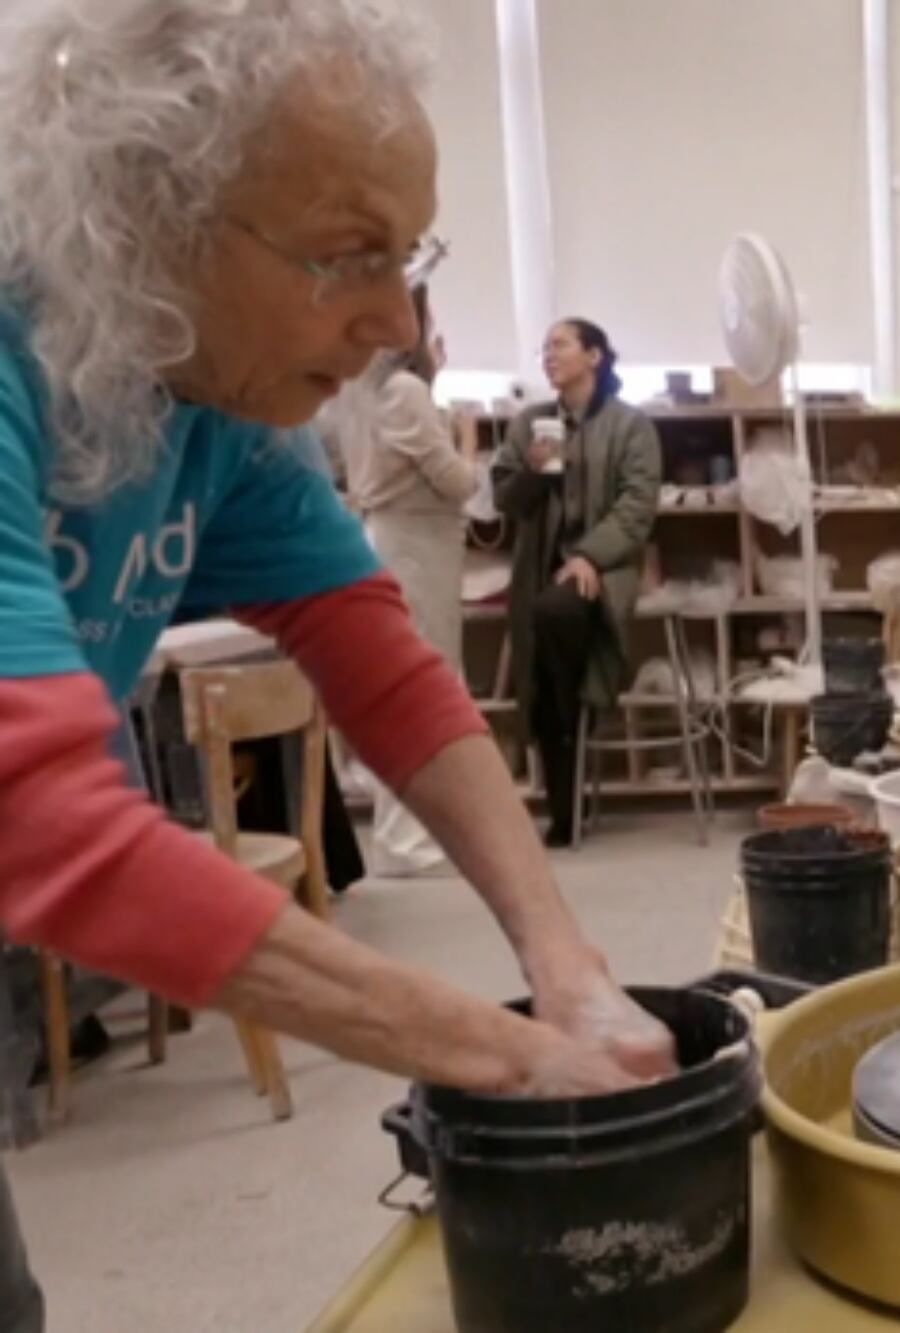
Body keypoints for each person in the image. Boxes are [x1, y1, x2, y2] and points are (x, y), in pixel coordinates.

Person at [0, 4, 674, 1327]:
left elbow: (383, 663)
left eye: (407, 253)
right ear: (147, 215)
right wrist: (503, 1055)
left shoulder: (216, 393)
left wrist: (567, 962)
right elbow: (31, 817)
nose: (392, 317)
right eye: (348, 256)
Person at [491, 319, 661, 848]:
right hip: (540, 571)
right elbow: (504, 503)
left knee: (555, 617)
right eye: (544, 348)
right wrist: (534, 473)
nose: (548, 355)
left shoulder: (632, 426)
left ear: (594, 355)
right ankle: (569, 738)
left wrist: (589, 555)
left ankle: (571, 745)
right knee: (543, 637)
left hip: (605, 569)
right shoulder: (529, 425)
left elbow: (637, 509)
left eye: (559, 345)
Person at [330, 283, 481, 876]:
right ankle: (405, 841)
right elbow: (455, 481)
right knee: (427, 689)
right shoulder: (405, 390)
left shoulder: (365, 391)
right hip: (418, 546)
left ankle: (415, 835)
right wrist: (467, 439)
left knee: (414, 685)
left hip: (395, 539)